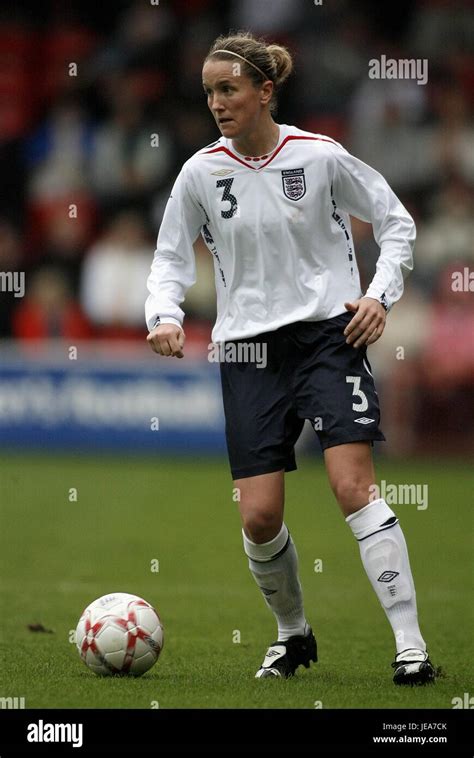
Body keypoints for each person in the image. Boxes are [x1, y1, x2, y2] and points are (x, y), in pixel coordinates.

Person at [145, 32, 437, 685]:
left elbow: (396, 223)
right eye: (209, 93)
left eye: (229, 89)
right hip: (247, 349)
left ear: (264, 90)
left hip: (329, 337)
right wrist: (163, 314)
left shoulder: (321, 156)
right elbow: (168, 256)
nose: (218, 103)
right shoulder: (200, 172)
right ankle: (293, 634)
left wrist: (378, 296)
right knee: (259, 516)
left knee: (351, 487)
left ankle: (410, 646)